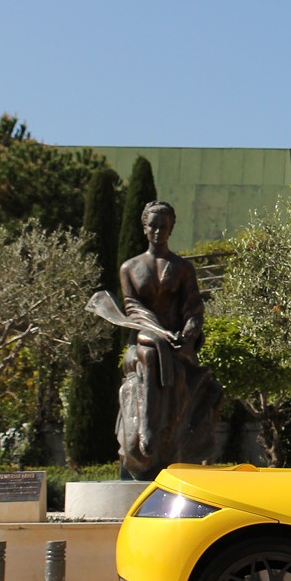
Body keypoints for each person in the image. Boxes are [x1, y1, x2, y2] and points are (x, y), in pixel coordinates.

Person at [116, 201, 221, 479]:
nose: (158, 231)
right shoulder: (130, 267)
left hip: (176, 346)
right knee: (150, 353)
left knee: (172, 365)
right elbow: (133, 309)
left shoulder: (182, 268)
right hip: (141, 342)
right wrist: (157, 332)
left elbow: (194, 309)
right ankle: (146, 428)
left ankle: (167, 443)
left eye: (164, 226)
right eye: (153, 225)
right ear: (144, 227)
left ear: (171, 228)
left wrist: (187, 334)